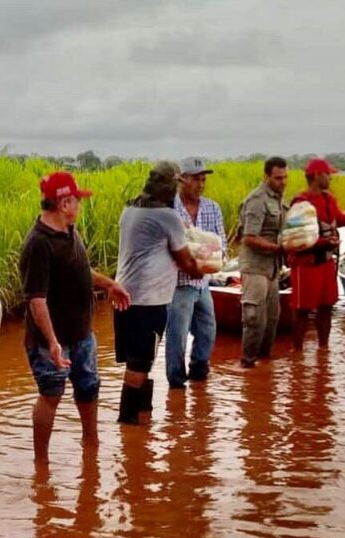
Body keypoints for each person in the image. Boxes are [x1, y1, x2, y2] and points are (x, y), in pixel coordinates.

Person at [19, 172, 130, 463]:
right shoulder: (38, 244)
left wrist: (108, 284)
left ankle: (90, 444)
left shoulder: (70, 231)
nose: (80, 205)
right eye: (76, 200)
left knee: (89, 387)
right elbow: (36, 299)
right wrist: (53, 342)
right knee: (51, 394)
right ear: (64, 202)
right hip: (50, 341)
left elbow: (80, 271)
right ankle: (41, 462)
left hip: (82, 333)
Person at [113, 161, 209, 425]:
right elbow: (186, 261)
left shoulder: (130, 210)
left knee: (136, 363)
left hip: (123, 297)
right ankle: (130, 425)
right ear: (170, 185)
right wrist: (203, 268)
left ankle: (139, 424)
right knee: (140, 365)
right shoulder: (167, 217)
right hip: (148, 301)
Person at [287, 158, 345, 351]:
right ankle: (297, 352)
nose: (331, 178)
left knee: (326, 306)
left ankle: (324, 350)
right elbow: (297, 238)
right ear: (316, 175)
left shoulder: (328, 198)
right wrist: (324, 243)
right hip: (306, 263)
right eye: (328, 174)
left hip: (326, 262)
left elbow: (338, 220)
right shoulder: (301, 202)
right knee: (302, 310)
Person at [165, 157, 225, 389]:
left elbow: (220, 246)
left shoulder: (212, 208)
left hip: (203, 283)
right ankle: (176, 384)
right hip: (178, 285)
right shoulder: (169, 209)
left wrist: (205, 259)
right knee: (177, 338)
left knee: (208, 331)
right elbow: (167, 248)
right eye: (195, 179)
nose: (200, 184)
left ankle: (199, 374)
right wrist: (198, 255)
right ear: (182, 180)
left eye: (203, 180)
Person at [237, 157, 288, 368]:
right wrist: (279, 248)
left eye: (285, 177)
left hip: (273, 268)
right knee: (254, 319)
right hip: (255, 266)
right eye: (278, 178)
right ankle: (247, 364)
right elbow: (249, 237)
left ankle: (264, 371)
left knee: (272, 319)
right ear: (266, 176)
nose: (283, 182)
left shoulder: (278, 199)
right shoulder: (257, 200)